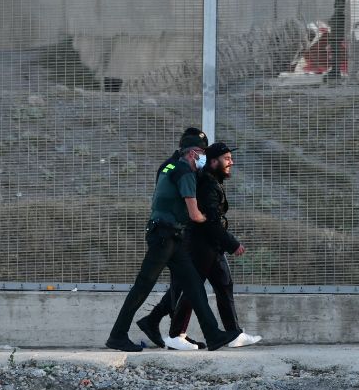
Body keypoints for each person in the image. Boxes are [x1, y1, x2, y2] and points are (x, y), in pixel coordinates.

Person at [105, 128, 252, 353]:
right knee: (143, 286)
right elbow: (195, 215)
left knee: (194, 285)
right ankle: (117, 335)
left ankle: (213, 334)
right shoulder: (184, 172)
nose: (204, 157)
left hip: (171, 236)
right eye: (202, 153)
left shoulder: (169, 165)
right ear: (193, 153)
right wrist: (207, 218)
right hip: (164, 236)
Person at [137, 142, 262, 351]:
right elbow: (209, 220)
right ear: (214, 162)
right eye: (227, 158)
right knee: (192, 289)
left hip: (208, 244)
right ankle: (176, 334)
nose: (232, 162)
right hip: (201, 244)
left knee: (221, 284)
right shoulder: (208, 185)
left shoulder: (212, 180)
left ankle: (232, 333)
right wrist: (231, 243)